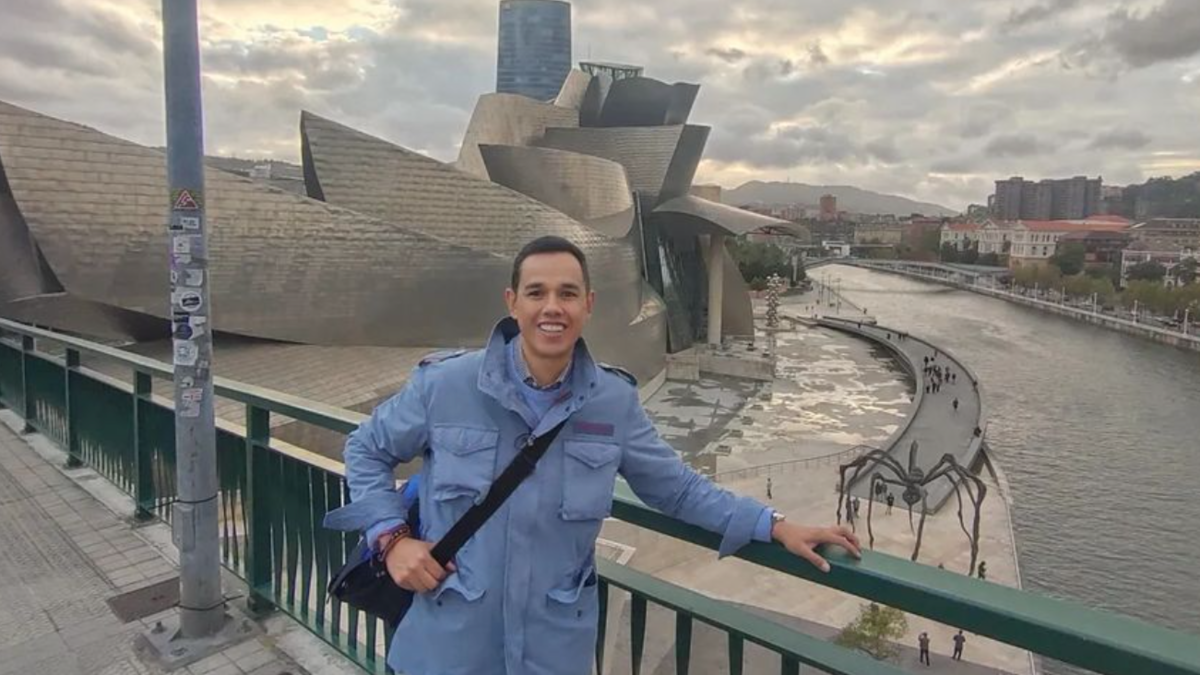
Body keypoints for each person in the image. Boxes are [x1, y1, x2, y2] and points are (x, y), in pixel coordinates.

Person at [330, 236, 862, 675]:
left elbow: (676, 489)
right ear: (512, 302)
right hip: (447, 650)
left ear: (588, 304)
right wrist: (391, 539)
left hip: (551, 655)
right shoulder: (447, 386)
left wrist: (774, 524)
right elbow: (367, 448)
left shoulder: (613, 401)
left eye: (567, 293)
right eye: (536, 292)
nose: (552, 307)